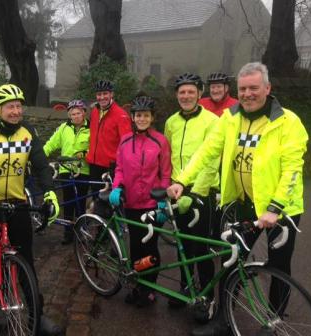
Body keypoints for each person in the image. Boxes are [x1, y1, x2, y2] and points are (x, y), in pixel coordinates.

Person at [167, 62, 308, 336]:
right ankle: (223, 319)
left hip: (282, 209)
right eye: (243, 89)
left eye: (254, 88)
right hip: (245, 204)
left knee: (279, 266)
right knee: (231, 260)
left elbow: (293, 169)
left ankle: (274, 321)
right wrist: (182, 180)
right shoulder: (230, 118)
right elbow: (207, 152)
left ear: (268, 88)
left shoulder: (288, 122)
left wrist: (274, 207)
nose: (248, 94)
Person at [0, 83, 63, 335]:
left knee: (25, 262)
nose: (16, 111)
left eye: (18, 106)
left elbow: (40, 165)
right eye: (10, 106)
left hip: (17, 205)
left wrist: (49, 191)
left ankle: (36, 316)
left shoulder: (28, 132)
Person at [164, 73, 220, 321]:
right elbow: (167, 157)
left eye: (190, 92)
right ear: (177, 95)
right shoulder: (171, 122)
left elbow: (212, 161)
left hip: (202, 192)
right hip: (177, 189)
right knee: (182, 244)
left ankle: (207, 297)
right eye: (181, 92)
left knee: (201, 246)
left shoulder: (212, 120)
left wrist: (197, 193)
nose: (185, 96)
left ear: (200, 93)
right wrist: (169, 185)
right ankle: (186, 286)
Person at [108, 96, 171, 307]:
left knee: (150, 247)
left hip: (153, 204)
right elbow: (119, 168)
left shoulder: (160, 141)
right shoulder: (125, 140)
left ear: (152, 118)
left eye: (146, 115)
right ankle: (138, 284)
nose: (141, 119)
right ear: (133, 118)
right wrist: (117, 187)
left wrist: (162, 199)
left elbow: (165, 173)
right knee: (135, 246)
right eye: (138, 115)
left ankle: (150, 288)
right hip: (132, 204)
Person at [43, 99, 91, 245]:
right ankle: (68, 231)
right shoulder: (63, 128)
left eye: (78, 113)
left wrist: (85, 153)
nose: (75, 116)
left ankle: (81, 231)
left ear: (84, 113)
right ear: (69, 115)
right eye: (72, 114)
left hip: (83, 169)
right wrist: (38, 158)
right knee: (68, 201)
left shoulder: (92, 128)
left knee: (81, 202)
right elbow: (51, 144)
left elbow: (96, 148)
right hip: (66, 170)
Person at [86, 80, 132, 183]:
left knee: (107, 199)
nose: (102, 97)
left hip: (110, 167)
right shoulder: (94, 112)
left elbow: (126, 144)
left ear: (111, 94)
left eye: (105, 93)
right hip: (93, 164)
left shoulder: (121, 115)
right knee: (95, 197)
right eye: (99, 94)